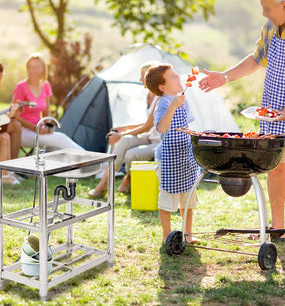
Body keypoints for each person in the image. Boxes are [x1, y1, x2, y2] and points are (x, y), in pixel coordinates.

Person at [198, 0, 285, 241]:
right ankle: (276, 228)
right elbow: (257, 58)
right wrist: (224, 77)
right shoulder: (271, 25)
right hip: (274, 113)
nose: (264, 14)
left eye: (268, 8)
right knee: (276, 170)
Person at [145, 64, 201, 243]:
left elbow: (185, 126)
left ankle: (187, 233)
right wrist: (173, 107)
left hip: (185, 154)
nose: (179, 78)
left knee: (188, 198)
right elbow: (161, 128)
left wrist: (194, 135)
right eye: (173, 76)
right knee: (167, 198)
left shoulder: (182, 99)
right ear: (162, 87)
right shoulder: (163, 103)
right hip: (169, 157)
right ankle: (167, 234)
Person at [88, 63, 161, 198]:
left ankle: (128, 177)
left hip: (159, 142)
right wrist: (125, 129)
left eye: (142, 76)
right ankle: (104, 184)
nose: (140, 80)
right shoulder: (149, 95)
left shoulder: (159, 97)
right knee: (125, 142)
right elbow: (148, 123)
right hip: (149, 137)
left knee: (130, 154)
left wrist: (120, 134)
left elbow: (148, 126)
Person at [12, 52, 84, 151]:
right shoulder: (21, 87)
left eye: (37, 67)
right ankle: (96, 162)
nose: (33, 70)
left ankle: (84, 166)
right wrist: (36, 128)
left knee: (55, 149)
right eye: (30, 67)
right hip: (23, 132)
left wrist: (48, 125)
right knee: (61, 138)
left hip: (40, 130)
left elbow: (46, 112)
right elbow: (15, 115)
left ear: (43, 69)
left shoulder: (45, 85)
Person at [0, 60, 22, 185]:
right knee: (6, 135)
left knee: (9, 131)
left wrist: (9, 115)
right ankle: (5, 176)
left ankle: (8, 172)